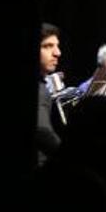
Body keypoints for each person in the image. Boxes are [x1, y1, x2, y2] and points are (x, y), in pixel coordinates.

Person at [36, 23, 64, 165]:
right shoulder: (39, 89)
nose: (57, 53)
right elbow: (42, 132)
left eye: (57, 45)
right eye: (47, 46)